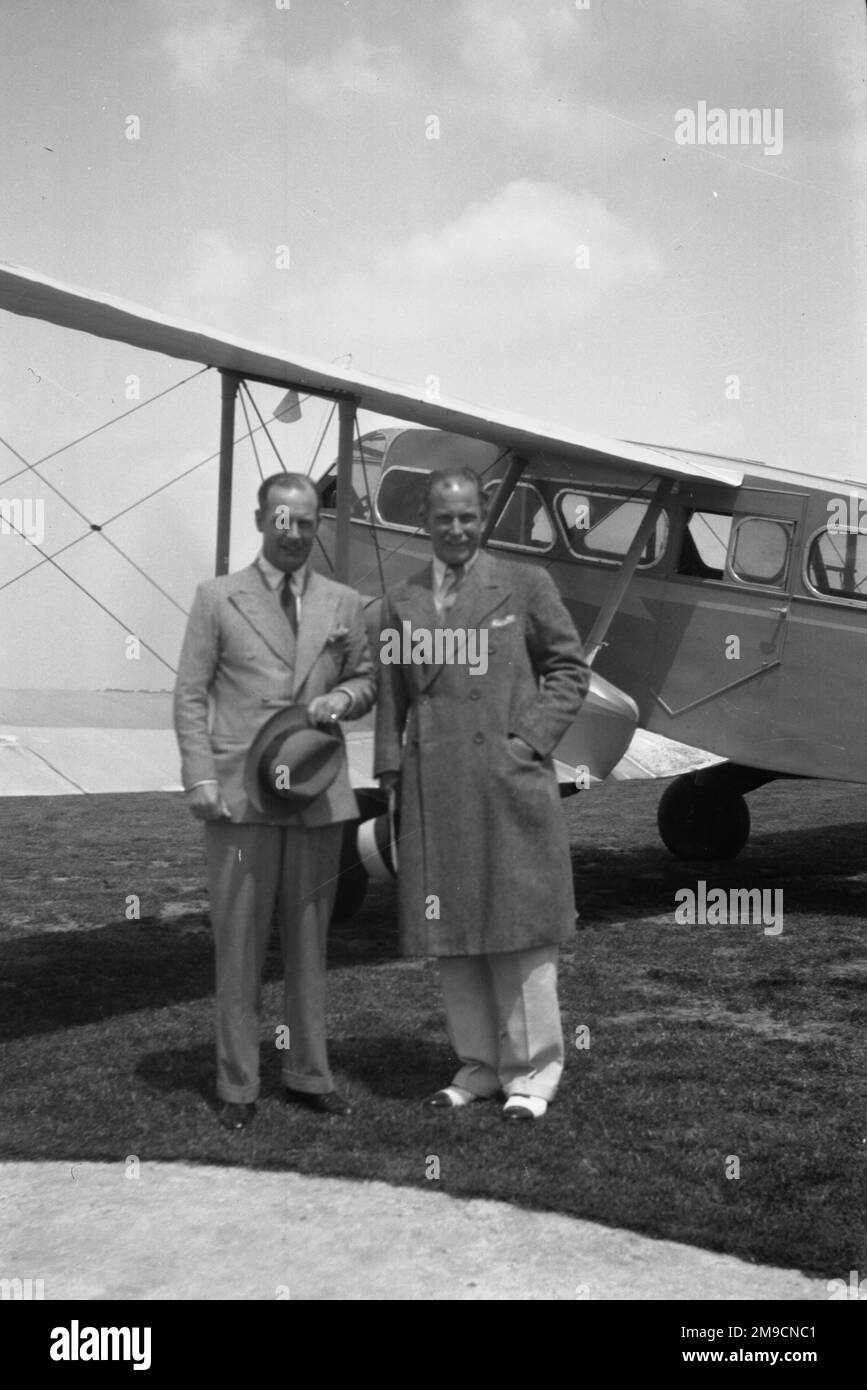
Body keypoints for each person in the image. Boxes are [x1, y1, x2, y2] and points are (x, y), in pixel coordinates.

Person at [375, 466, 589, 1121]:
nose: (457, 528)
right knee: (455, 935)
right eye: (444, 518)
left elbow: (568, 670)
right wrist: (390, 780)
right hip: (434, 791)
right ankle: (477, 1067)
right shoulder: (401, 602)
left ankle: (534, 1074)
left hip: (507, 785)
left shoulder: (524, 584)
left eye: (467, 516)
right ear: (426, 522)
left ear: (482, 516)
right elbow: (391, 698)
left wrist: (526, 741)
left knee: (520, 932)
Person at [174, 472, 376, 1130]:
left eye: (306, 522)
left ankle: (309, 1077)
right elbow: (189, 695)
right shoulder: (216, 598)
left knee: (309, 944)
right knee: (238, 946)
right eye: (282, 520)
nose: (293, 533)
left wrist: (345, 697)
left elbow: (368, 678)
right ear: (262, 521)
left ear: (319, 527)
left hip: (315, 792)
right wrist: (201, 777)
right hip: (239, 798)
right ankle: (238, 1085)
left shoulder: (345, 602)